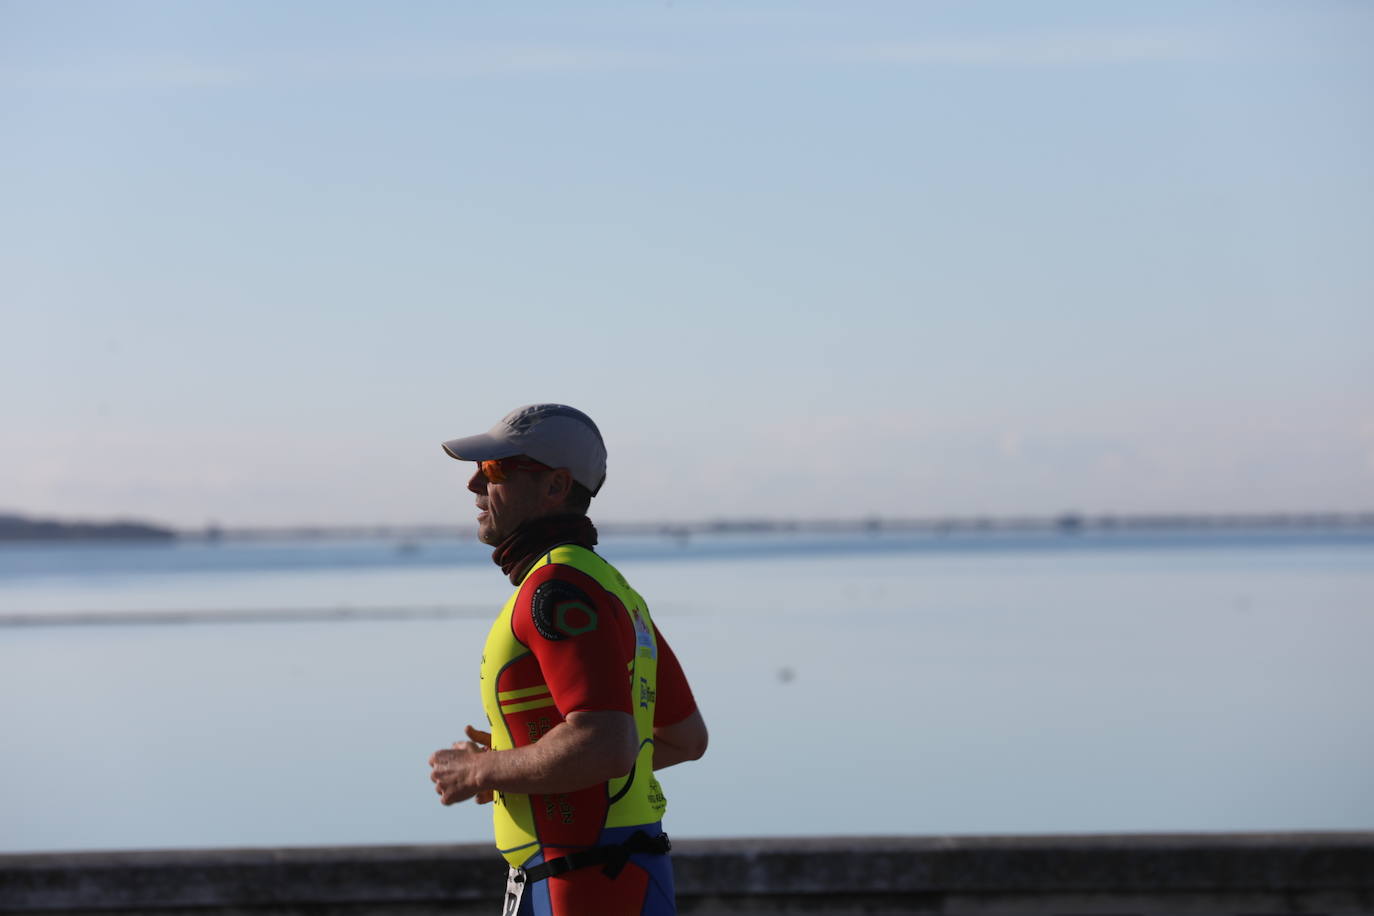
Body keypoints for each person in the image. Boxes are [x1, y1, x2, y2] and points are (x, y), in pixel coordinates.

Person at [429, 404, 707, 916]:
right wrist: (520, 765)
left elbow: (604, 744)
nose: (474, 484)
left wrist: (482, 770)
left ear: (556, 485)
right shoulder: (613, 588)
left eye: (494, 469)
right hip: (622, 875)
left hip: (582, 883)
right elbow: (683, 737)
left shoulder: (556, 588)